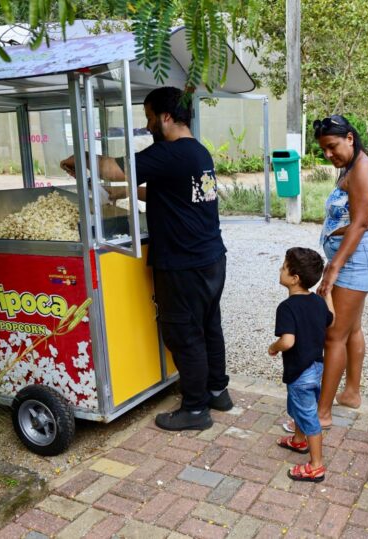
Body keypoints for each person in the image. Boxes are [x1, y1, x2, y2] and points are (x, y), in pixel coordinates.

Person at [60, 86, 232, 431]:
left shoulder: (170, 152)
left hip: (183, 264)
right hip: (210, 258)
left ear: (166, 117)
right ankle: (217, 391)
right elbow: (168, 191)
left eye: (150, 117)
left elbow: (113, 168)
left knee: (184, 334)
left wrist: (81, 158)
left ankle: (195, 410)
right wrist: (119, 193)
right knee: (208, 327)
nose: (148, 124)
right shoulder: (196, 152)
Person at [315, 114, 368, 426]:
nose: (328, 154)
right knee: (351, 329)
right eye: (324, 150)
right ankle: (351, 393)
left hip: (354, 264)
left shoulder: (363, 169)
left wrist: (333, 268)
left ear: (350, 139)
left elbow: (358, 224)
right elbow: (363, 215)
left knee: (333, 336)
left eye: (332, 147)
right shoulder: (351, 166)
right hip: (353, 261)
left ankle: (321, 413)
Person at [269, 247, 334, 482]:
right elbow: (331, 320)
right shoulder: (317, 301)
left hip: (300, 372)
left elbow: (288, 341)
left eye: (284, 267)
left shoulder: (286, 308)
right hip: (316, 368)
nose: (280, 269)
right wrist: (327, 296)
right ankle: (298, 440)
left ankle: (316, 466)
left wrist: (274, 347)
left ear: (294, 278)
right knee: (300, 407)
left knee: (308, 417)